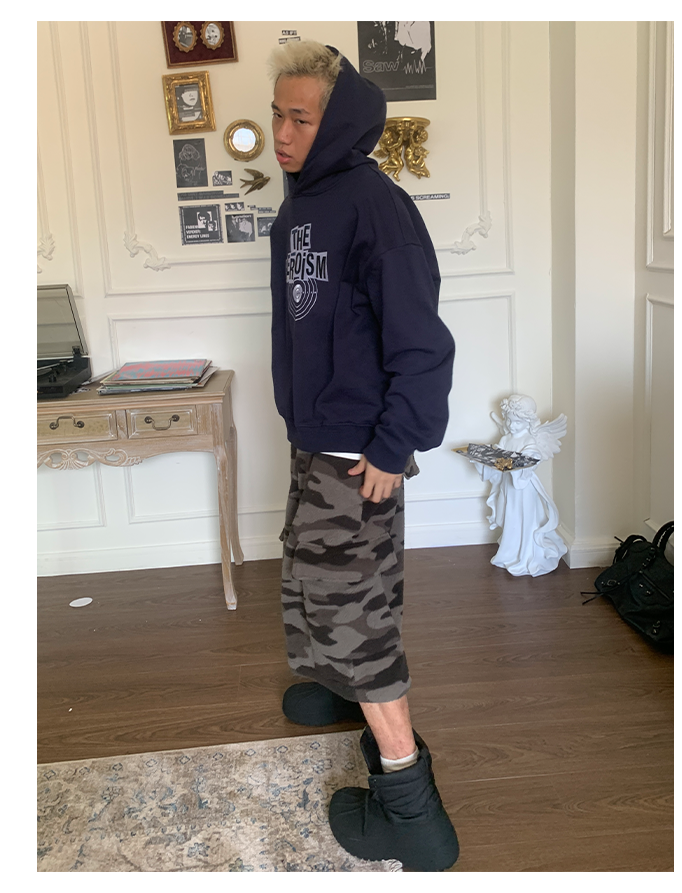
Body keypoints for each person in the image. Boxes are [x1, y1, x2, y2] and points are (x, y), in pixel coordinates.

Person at [267, 40, 458, 871]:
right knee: (311, 580)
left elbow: (423, 342)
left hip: (359, 452)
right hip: (319, 441)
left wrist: (392, 442)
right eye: (276, 115)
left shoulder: (377, 207)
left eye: (300, 119)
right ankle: (336, 685)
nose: (282, 133)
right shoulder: (305, 203)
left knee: (359, 618)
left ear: (339, 123)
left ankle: (412, 813)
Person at [474, 395, 568, 576]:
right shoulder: (506, 438)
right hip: (507, 486)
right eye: (509, 420)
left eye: (517, 422)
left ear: (528, 422)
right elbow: (498, 458)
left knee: (524, 519)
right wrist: (482, 458)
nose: (512, 425)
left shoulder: (529, 440)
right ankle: (511, 551)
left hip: (523, 488)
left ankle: (525, 554)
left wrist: (515, 463)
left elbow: (531, 459)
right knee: (509, 517)